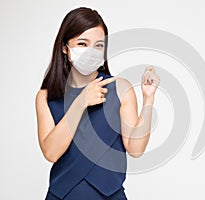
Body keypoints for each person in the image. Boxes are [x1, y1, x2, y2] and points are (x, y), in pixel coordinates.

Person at [35, 7, 160, 200]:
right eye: (82, 43)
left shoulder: (120, 88)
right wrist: (80, 103)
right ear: (64, 47)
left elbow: (135, 150)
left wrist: (148, 97)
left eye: (99, 45)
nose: (91, 52)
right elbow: (51, 153)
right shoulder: (46, 96)